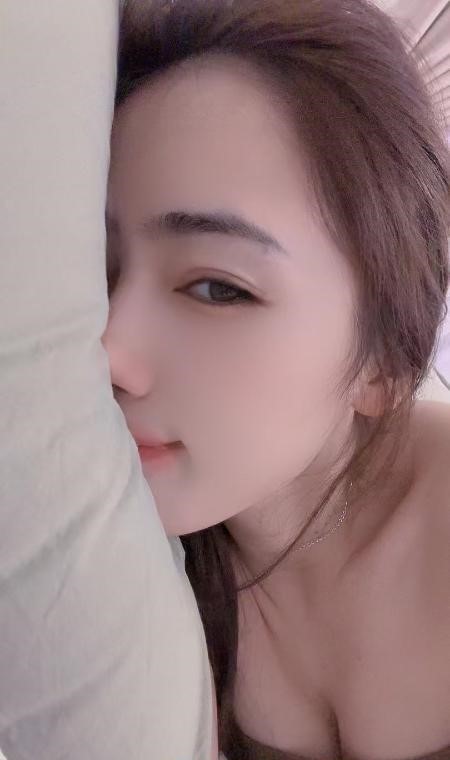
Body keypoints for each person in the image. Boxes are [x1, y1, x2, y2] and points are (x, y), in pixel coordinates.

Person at [101, 0, 450, 758]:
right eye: (98, 275)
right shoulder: (109, 560)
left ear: (384, 362)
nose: (107, 353)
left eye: (218, 288)